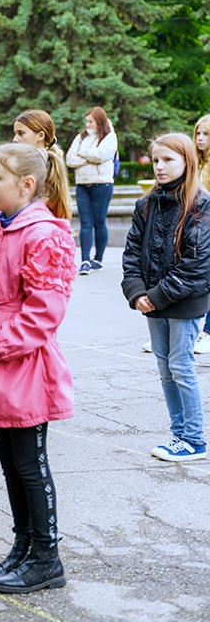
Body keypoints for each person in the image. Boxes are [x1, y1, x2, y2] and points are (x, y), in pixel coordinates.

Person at [0, 143, 77, 594]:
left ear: (26, 185)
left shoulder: (45, 235)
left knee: (30, 462)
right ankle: (23, 546)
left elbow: (44, 314)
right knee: (9, 461)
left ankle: (47, 557)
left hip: (22, 365)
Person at [122, 133, 210, 463]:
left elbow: (197, 265)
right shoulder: (147, 203)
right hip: (152, 302)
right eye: (156, 160)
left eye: (168, 160)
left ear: (187, 161)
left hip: (184, 303)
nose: (159, 166)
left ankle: (194, 439)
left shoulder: (202, 205)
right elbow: (132, 253)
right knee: (165, 369)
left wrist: (155, 297)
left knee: (181, 367)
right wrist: (136, 293)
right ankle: (179, 435)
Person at [66, 106, 118, 275]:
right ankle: (85, 260)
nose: (87, 125)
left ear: (99, 122)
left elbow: (102, 155)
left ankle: (98, 259)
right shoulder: (81, 137)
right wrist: (89, 158)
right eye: (86, 121)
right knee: (85, 223)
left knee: (99, 222)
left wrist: (84, 155)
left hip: (102, 185)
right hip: (82, 185)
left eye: (90, 121)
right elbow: (70, 159)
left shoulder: (109, 136)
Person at [191, 115, 210, 355]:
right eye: (198, 134)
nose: (201, 139)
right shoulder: (195, 161)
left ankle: (206, 331)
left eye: (206, 134)